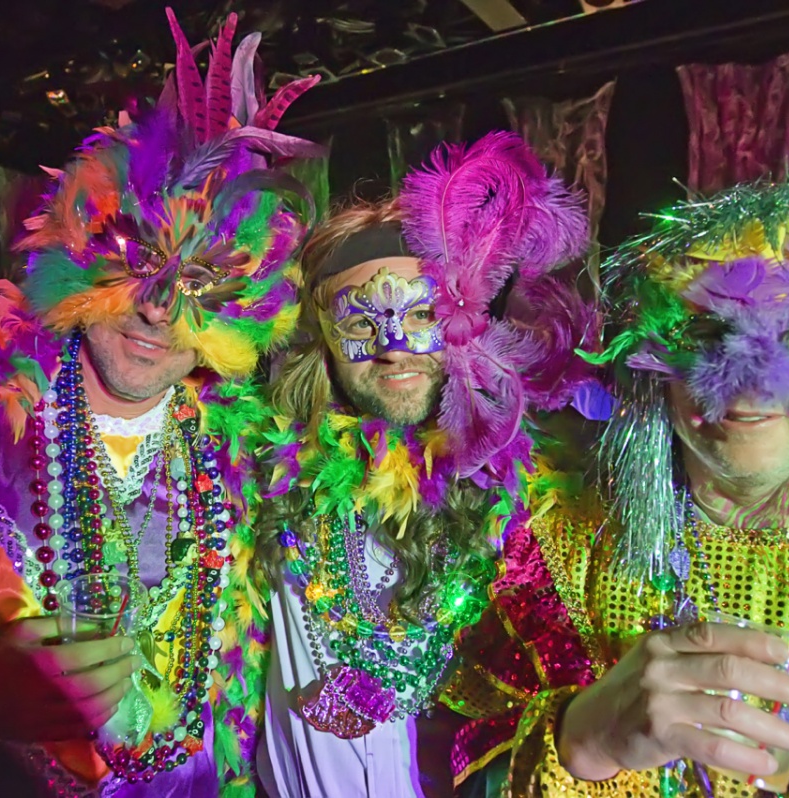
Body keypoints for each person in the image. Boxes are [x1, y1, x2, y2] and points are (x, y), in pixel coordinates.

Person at [0, 10, 321, 797]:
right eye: (135, 262)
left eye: (204, 283)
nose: (159, 309)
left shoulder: (253, 464)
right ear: (77, 249)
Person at [444, 181, 789, 796]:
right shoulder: (551, 557)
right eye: (709, 335)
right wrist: (581, 741)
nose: (752, 382)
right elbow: (452, 758)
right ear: (651, 361)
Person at [253, 132, 602, 797]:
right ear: (321, 341)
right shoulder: (267, 477)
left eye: (420, 314)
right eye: (360, 324)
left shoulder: (533, 510)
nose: (392, 348)